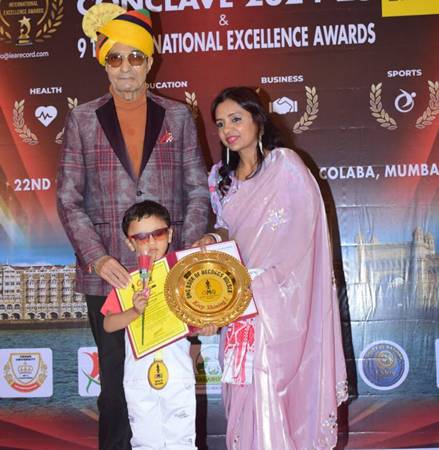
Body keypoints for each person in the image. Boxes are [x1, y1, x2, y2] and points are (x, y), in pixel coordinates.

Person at [56, 5, 209, 449]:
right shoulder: (82, 119)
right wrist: (97, 257)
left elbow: (198, 191)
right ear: (104, 62)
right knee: (116, 389)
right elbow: (68, 198)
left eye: (135, 57)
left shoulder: (178, 117)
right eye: (115, 57)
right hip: (109, 278)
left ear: (150, 60)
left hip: (168, 276)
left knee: (171, 380)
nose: (126, 67)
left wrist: (180, 258)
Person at [196, 87, 348, 450]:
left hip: (275, 304)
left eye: (236, 119)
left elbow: (305, 233)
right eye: (220, 123)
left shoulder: (286, 166)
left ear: (258, 120)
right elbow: (227, 229)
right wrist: (212, 238)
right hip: (236, 303)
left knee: (267, 385)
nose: (228, 130)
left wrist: (262, 284)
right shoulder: (221, 178)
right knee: (240, 391)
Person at [101, 200, 216, 450]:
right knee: (145, 441)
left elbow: (195, 322)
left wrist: (207, 327)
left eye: (158, 234)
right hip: (138, 376)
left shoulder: (183, 278)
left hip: (177, 373)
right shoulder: (126, 283)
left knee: (182, 441)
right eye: (141, 237)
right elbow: (109, 324)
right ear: (130, 243)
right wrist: (134, 311)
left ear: (170, 234)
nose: (151, 242)